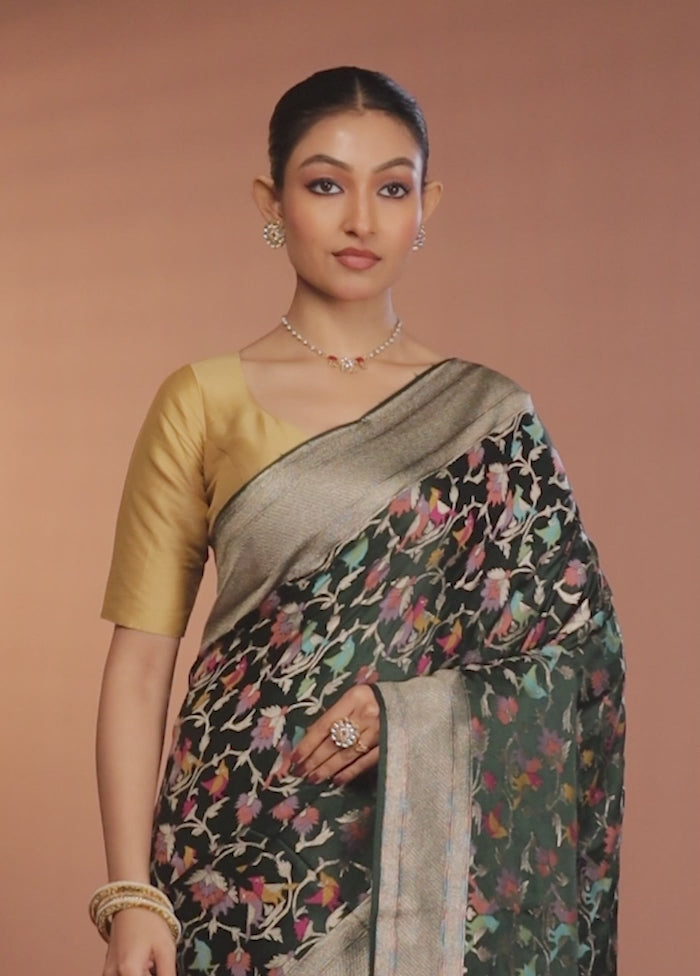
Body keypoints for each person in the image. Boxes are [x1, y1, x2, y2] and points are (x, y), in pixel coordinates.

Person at [93, 66, 625, 976]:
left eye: (392, 188)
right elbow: (141, 667)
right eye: (325, 185)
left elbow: (583, 659)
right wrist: (130, 894)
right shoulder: (203, 400)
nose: (361, 221)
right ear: (272, 202)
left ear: (426, 207)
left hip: (431, 863)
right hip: (234, 853)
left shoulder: (490, 416)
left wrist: (409, 714)